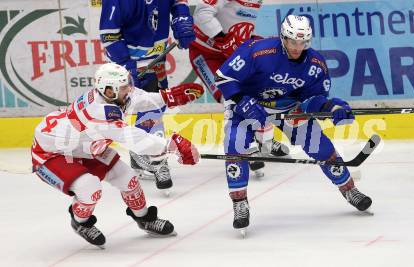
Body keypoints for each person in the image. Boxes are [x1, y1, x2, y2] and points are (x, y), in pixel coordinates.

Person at [215, 15, 372, 235]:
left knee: (320, 145)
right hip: (247, 105)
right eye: (293, 42)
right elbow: (223, 77)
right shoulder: (257, 50)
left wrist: (332, 107)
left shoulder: (315, 64)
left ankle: (349, 189)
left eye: (303, 42)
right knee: (235, 144)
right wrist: (242, 101)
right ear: (283, 38)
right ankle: (240, 203)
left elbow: (313, 100)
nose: (298, 48)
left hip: (287, 108)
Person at [31, 63, 203, 247]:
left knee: (128, 179)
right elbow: (135, 139)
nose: (128, 90)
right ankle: (80, 222)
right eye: (123, 87)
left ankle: (144, 218)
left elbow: (138, 99)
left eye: (126, 85)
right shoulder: (99, 112)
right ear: (108, 90)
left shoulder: (111, 96)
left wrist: (168, 97)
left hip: (86, 147)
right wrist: (172, 145)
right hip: (52, 153)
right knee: (90, 189)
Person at [99, 0, 196, 192]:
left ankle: (149, 155)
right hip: (125, 62)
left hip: (156, 57)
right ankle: (148, 154)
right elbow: (109, 36)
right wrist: (125, 64)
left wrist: (181, 16)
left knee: (154, 104)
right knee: (121, 111)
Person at [188, 0, 290, 178]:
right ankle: (244, 145)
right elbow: (202, 13)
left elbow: (237, 21)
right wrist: (221, 38)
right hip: (206, 53)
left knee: (258, 90)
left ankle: (264, 138)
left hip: (232, 53)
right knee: (230, 97)